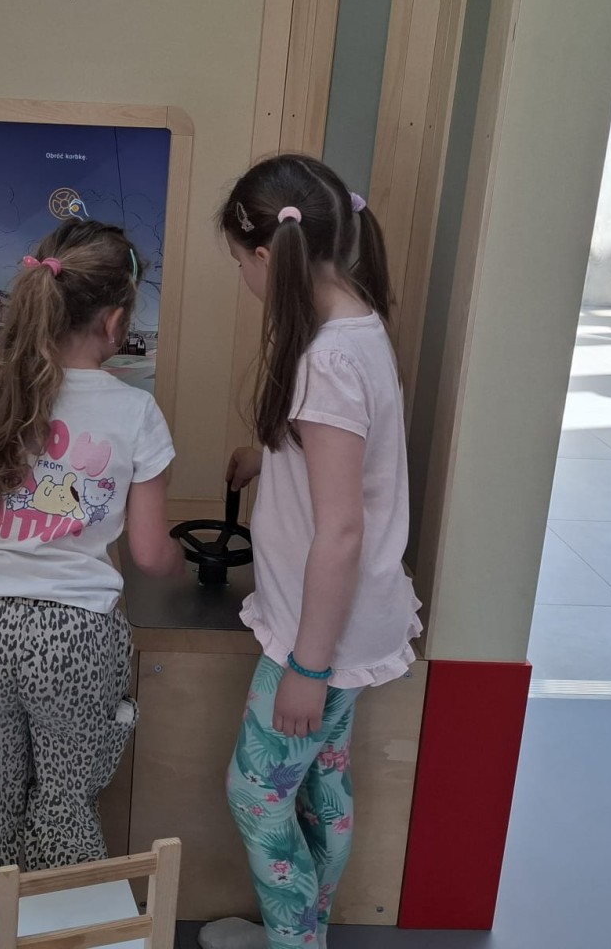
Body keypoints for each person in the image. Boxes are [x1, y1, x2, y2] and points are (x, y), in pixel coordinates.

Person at [0, 218, 183, 947]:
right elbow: (151, 553)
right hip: (76, 636)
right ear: (116, 321)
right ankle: (64, 938)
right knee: (63, 802)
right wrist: (180, 567)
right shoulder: (136, 411)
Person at [199, 155, 422, 949]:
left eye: (239, 262)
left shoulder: (323, 359)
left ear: (267, 255)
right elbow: (349, 461)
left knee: (257, 798)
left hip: (320, 630)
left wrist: (307, 665)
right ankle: (303, 934)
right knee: (323, 781)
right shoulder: (356, 321)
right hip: (355, 618)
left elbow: (341, 529)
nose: (243, 277)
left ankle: (293, 943)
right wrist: (272, 455)